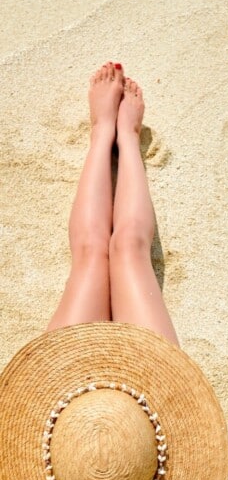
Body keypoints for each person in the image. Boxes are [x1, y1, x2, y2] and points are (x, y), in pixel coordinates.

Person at [45, 62, 180, 347]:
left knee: (91, 251)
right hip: (148, 391)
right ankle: (126, 136)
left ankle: (104, 132)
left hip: (73, 390)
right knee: (129, 246)